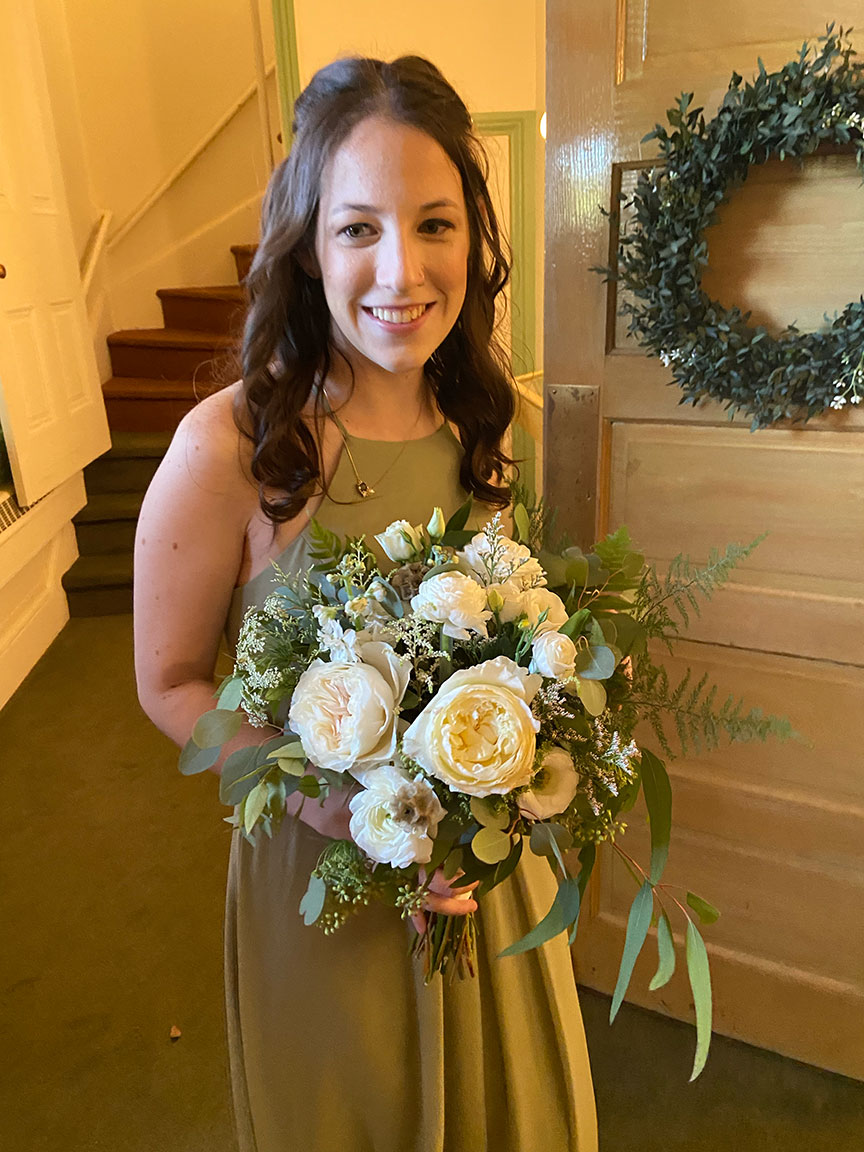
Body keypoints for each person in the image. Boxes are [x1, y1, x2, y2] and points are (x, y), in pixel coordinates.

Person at [134, 55, 598, 1152]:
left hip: (486, 876)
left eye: (436, 223)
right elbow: (170, 684)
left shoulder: (496, 427)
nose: (403, 267)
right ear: (307, 244)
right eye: (358, 230)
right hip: (323, 885)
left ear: (474, 242)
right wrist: (325, 810)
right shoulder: (229, 447)